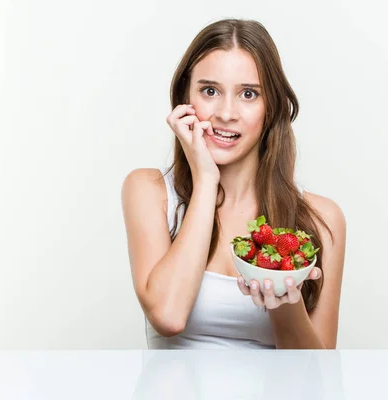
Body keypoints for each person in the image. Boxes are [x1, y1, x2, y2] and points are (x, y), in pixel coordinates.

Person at [121, 18, 346, 349]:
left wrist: (285, 303)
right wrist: (207, 180)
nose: (226, 113)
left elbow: (318, 375)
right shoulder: (149, 192)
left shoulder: (321, 219)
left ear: (271, 108)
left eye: (249, 94)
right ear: (185, 97)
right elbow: (168, 316)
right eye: (210, 91)